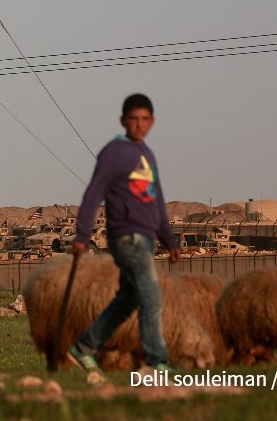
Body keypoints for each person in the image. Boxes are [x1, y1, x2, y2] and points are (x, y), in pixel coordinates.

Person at [68, 93, 181, 374]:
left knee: (128, 300)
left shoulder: (147, 155)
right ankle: (157, 361)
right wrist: (82, 234)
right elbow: (94, 192)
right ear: (123, 121)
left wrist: (170, 240)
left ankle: (83, 347)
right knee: (152, 296)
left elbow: (156, 200)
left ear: (152, 122)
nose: (139, 125)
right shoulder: (114, 153)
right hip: (127, 237)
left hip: (147, 238)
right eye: (134, 119)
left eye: (144, 119)